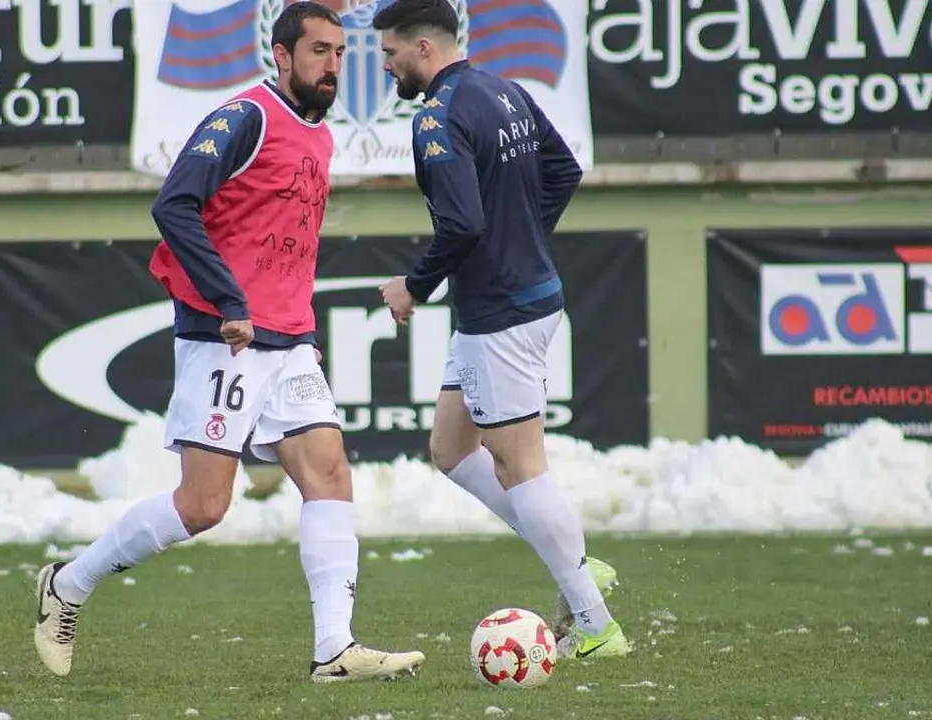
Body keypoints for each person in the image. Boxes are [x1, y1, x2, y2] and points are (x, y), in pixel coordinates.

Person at [33, 1, 425, 682]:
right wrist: (230, 301)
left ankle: (334, 647)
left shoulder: (318, 136)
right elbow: (173, 205)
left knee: (329, 472)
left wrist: (296, 321)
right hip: (228, 338)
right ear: (280, 55)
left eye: (339, 53)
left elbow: (284, 243)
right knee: (204, 506)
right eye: (318, 52)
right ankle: (68, 584)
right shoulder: (245, 118)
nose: (333, 66)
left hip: (287, 340)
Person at [371, 0, 631, 659]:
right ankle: (575, 571)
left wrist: (412, 285)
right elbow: (565, 169)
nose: (386, 66)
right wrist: (521, 241)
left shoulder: (439, 114)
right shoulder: (504, 89)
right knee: (453, 449)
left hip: (501, 315)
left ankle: (597, 628)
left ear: (424, 48)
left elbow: (460, 225)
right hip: (522, 299)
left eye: (390, 54)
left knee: (520, 466)